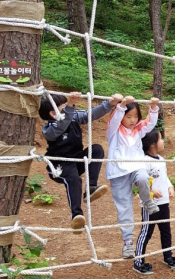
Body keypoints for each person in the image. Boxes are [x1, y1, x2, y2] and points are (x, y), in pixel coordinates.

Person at [39, 92, 119, 230]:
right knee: (74, 179)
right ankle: (76, 215)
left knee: (97, 149)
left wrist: (110, 104)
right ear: (53, 113)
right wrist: (70, 105)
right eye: (64, 106)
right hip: (60, 165)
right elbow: (61, 126)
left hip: (77, 161)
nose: (69, 108)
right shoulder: (49, 129)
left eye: (67, 106)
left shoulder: (73, 117)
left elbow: (91, 114)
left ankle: (91, 187)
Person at [106, 96, 160, 259]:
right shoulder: (113, 131)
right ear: (121, 115)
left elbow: (150, 124)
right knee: (124, 206)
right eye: (128, 116)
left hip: (136, 166)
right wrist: (121, 106)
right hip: (118, 171)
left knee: (144, 178)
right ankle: (128, 242)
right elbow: (115, 120)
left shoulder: (137, 129)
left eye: (135, 116)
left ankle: (147, 201)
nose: (132, 120)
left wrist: (154, 108)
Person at [133, 130, 175, 275]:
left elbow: (164, 178)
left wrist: (170, 186)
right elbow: (140, 181)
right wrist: (151, 190)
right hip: (150, 204)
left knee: (166, 230)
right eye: (161, 139)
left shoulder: (161, 159)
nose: (163, 141)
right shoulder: (143, 161)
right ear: (152, 144)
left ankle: (168, 255)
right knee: (146, 232)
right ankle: (138, 261)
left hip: (164, 202)